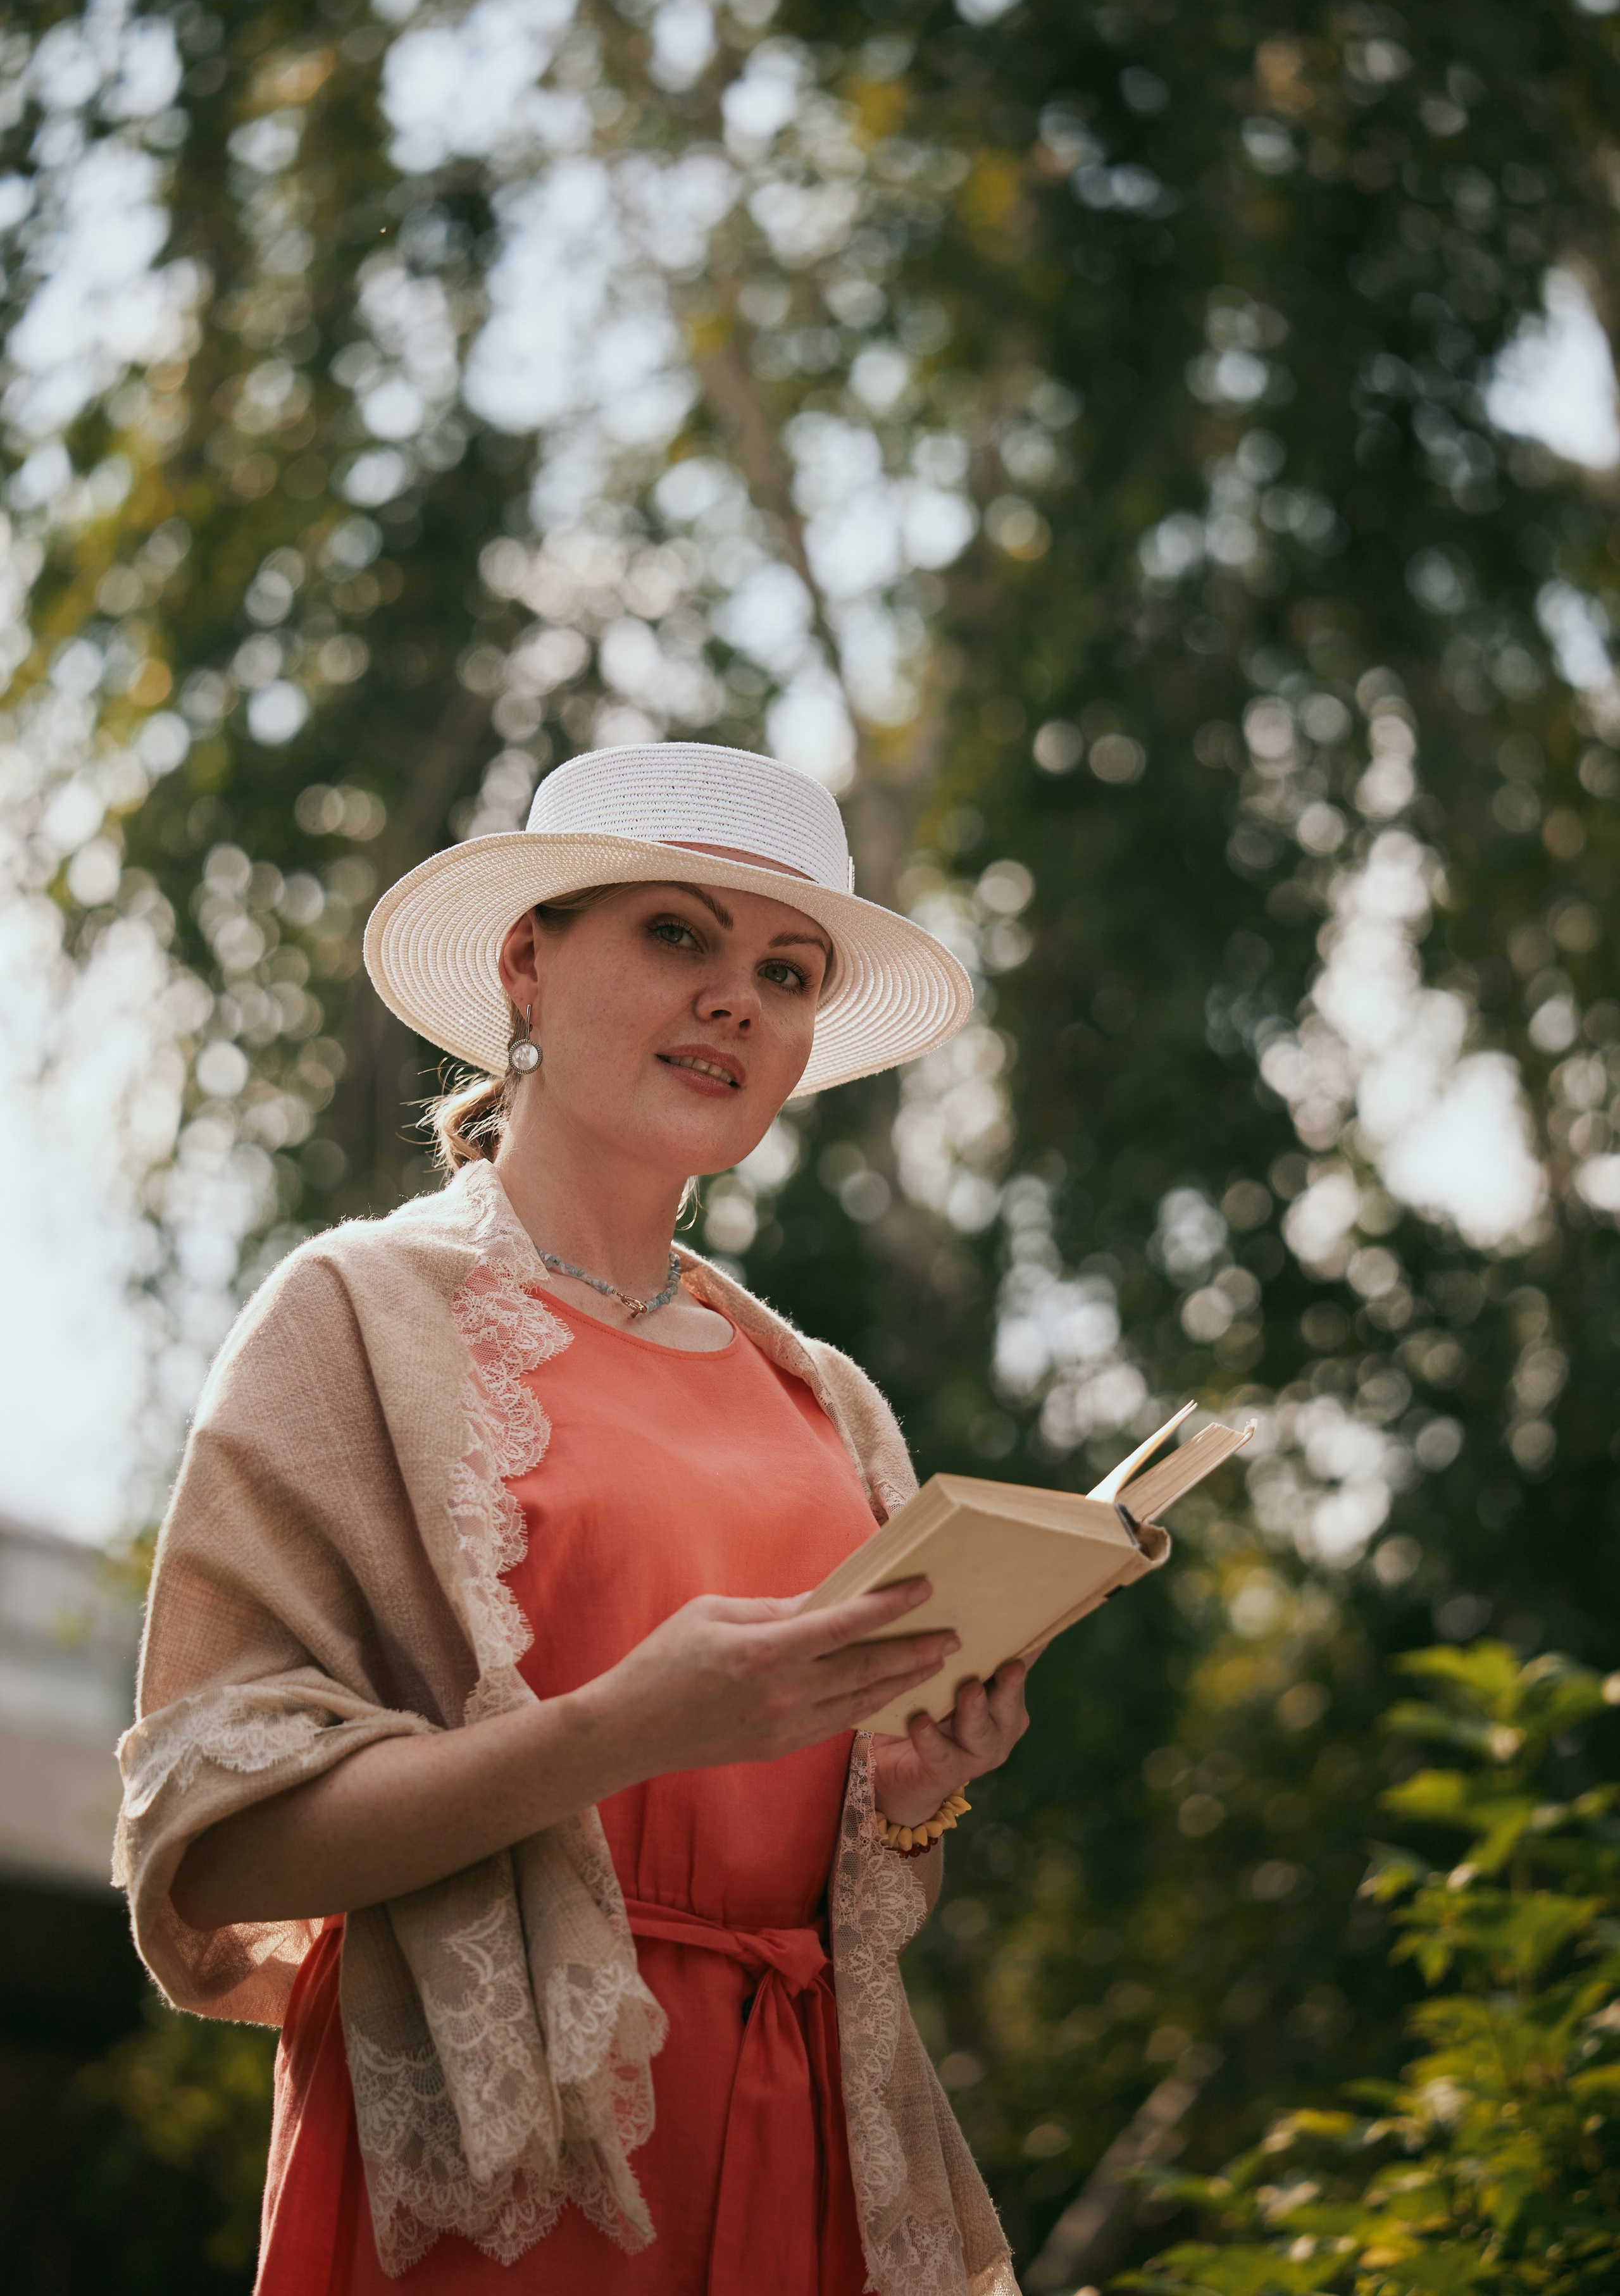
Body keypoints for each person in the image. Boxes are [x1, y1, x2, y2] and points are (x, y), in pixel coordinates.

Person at [116, 741, 1027, 2296]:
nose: (737, 997)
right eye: (677, 934)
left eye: (787, 971)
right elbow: (207, 1856)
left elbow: (847, 1875)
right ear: (524, 963)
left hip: (798, 2158)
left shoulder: (829, 1400)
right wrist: (619, 1729)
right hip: (501, 2196)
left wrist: (914, 1787)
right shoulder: (352, 1321)